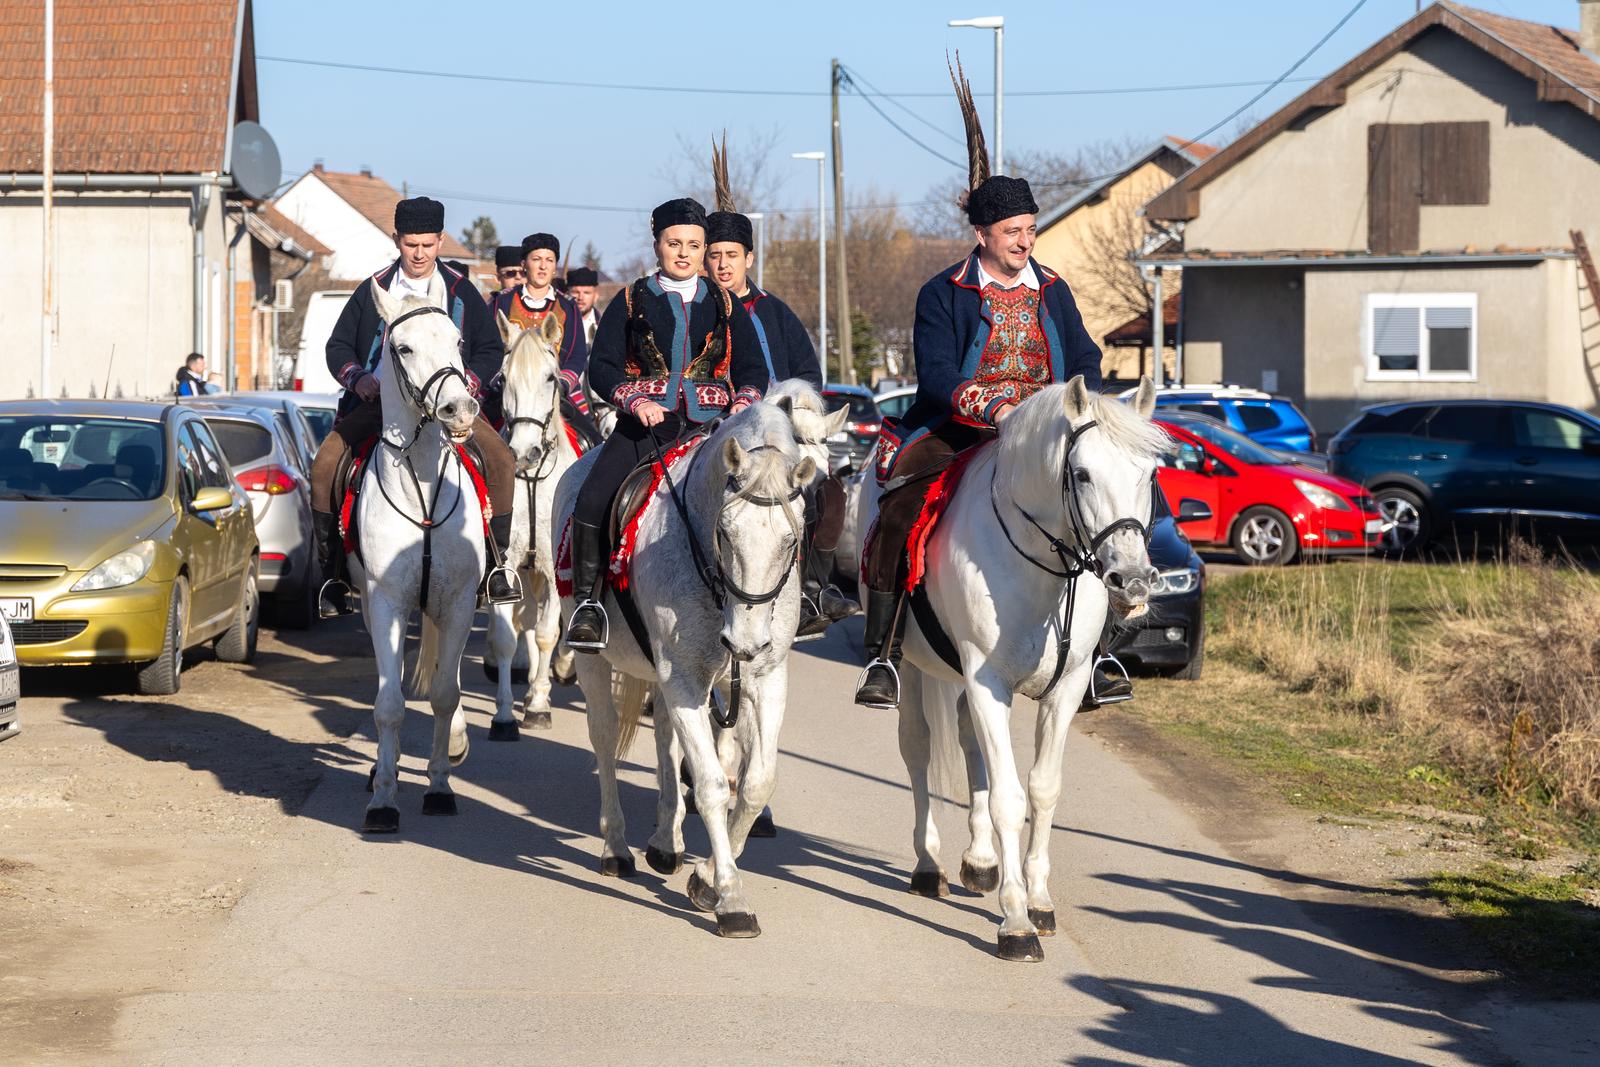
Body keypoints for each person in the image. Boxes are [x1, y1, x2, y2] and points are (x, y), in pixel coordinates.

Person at [854, 61, 1110, 709]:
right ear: (982, 235)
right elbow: (936, 374)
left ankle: (1101, 651)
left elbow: (1085, 355)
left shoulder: (1054, 289)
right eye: (1012, 232)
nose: (1025, 241)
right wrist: (992, 405)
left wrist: (1079, 404)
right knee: (898, 509)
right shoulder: (942, 291)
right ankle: (882, 652)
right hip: (958, 430)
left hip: (1044, 433)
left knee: (1104, 503)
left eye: (1030, 229)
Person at [563, 197, 767, 651]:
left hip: (713, 430)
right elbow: (602, 367)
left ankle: (800, 594)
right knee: (593, 496)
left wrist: (744, 402)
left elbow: (753, 370)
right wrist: (635, 402)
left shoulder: (726, 303)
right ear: (656, 246)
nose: (684, 253)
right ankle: (587, 605)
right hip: (646, 428)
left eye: (694, 245)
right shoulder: (632, 298)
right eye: (674, 243)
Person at [310, 195, 521, 619]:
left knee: (499, 458)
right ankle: (333, 574)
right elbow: (337, 347)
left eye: (427, 244)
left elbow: (488, 348)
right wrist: (359, 378)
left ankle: (496, 569)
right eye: (411, 244)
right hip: (382, 405)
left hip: (448, 406)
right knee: (325, 463)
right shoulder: (374, 289)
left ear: (440, 241)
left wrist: (467, 385)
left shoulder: (461, 291)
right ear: (397, 240)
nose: (419, 253)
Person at [704, 135, 856, 639]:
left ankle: (813, 588)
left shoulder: (776, 312)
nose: (722, 264)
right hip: (719, 435)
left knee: (827, 497)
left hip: (782, 437)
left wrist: (793, 410)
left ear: (749, 257)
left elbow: (809, 378)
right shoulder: (700, 310)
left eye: (732, 254)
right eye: (714, 255)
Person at [489, 233, 598, 442]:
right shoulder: (501, 302)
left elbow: (576, 355)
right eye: (536, 259)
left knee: (594, 442)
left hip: (556, 393)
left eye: (549, 260)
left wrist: (561, 385)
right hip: (505, 393)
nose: (542, 267)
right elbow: (489, 348)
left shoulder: (568, 306)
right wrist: (500, 381)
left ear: (555, 267)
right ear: (524, 264)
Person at [566, 266, 602, 348]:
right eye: (576, 292)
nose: (580, 297)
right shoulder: (560, 324)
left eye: (587, 293)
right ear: (567, 294)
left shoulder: (605, 327)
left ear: (596, 296)